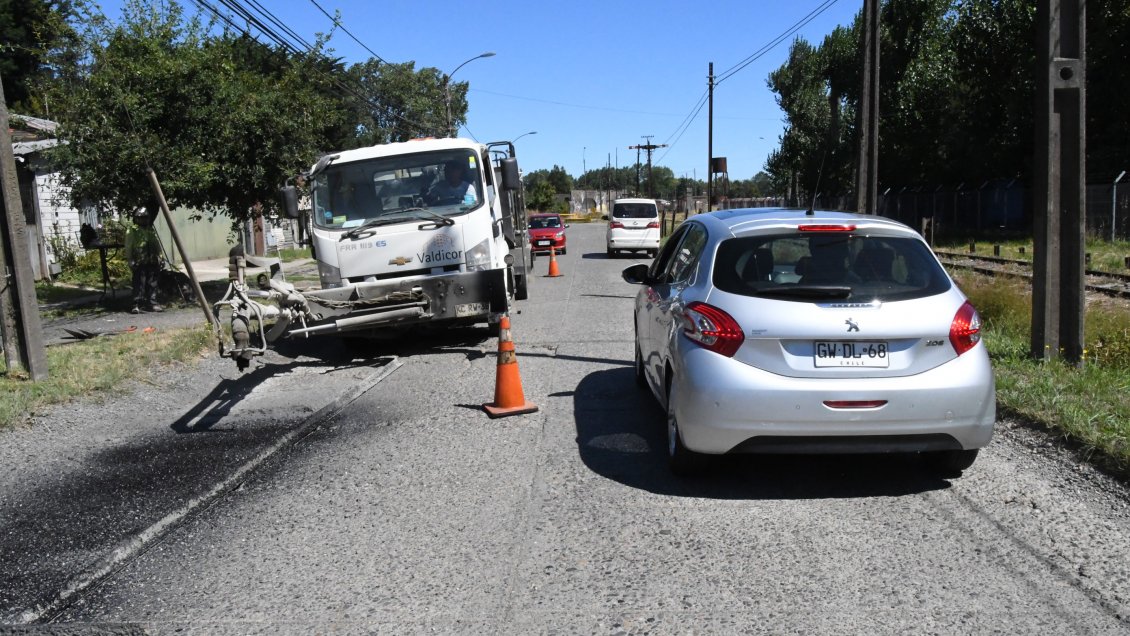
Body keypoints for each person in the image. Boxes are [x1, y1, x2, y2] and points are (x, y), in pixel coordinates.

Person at [124, 206, 164, 313]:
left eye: (145, 217)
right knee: (139, 282)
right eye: (141, 218)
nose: (143, 220)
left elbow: (156, 244)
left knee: (152, 282)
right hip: (139, 260)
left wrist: (160, 257)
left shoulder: (150, 229)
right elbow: (128, 246)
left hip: (152, 259)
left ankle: (152, 303)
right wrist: (130, 259)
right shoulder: (132, 230)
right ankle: (136, 304)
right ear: (136, 219)